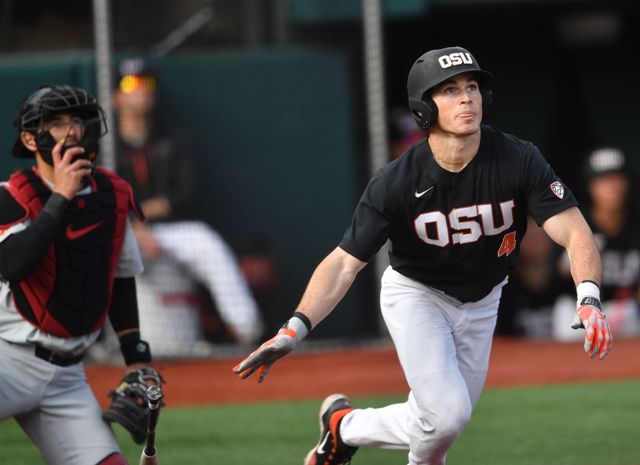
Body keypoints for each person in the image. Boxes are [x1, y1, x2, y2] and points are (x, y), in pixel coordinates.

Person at [233, 46, 613, 465]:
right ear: (422, 109)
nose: (467, 97)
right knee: (447, 417)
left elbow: (575, 231)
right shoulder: (395, 182)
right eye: (449, 90)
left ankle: (345, 427)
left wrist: (589, 296)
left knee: (440, 424)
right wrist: (294, 329)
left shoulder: (518, 158)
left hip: (484, 298)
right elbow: (344, 262)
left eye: (472, 87)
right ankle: (346, 427)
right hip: (418, 294)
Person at [0, 85, 162, 465]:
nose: (71, 130)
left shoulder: (112, 196)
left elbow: (120, 281)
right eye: (56, 123)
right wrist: (62, 197)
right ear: (29, 137)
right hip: (6, 359)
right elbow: (13, 266)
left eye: (76, 120)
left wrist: (137, 358)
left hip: (66, 376)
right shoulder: (10, 197)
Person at [112, 57, 263, 356]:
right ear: (116, 97)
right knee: (105, 250)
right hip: (127, 231)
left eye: (147, 84)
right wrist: (137, 224)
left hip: (174, 230)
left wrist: (139, 211)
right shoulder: (108, 146)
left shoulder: (172, 139)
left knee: (207, 242)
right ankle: (103, 341)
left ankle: (249, 332)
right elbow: (106, 201)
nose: (141, 91)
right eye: (132, 84)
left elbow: (185, 195)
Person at [553, 147, 640, 339]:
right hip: (576, 309)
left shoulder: (636, 223)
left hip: (623, 309)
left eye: (617, 178)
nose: (612, 186)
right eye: (604, 180)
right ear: (590, 185)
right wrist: (584, 254)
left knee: (630, 314)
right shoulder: (576, 221)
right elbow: (555, 275)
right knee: (563, 316)